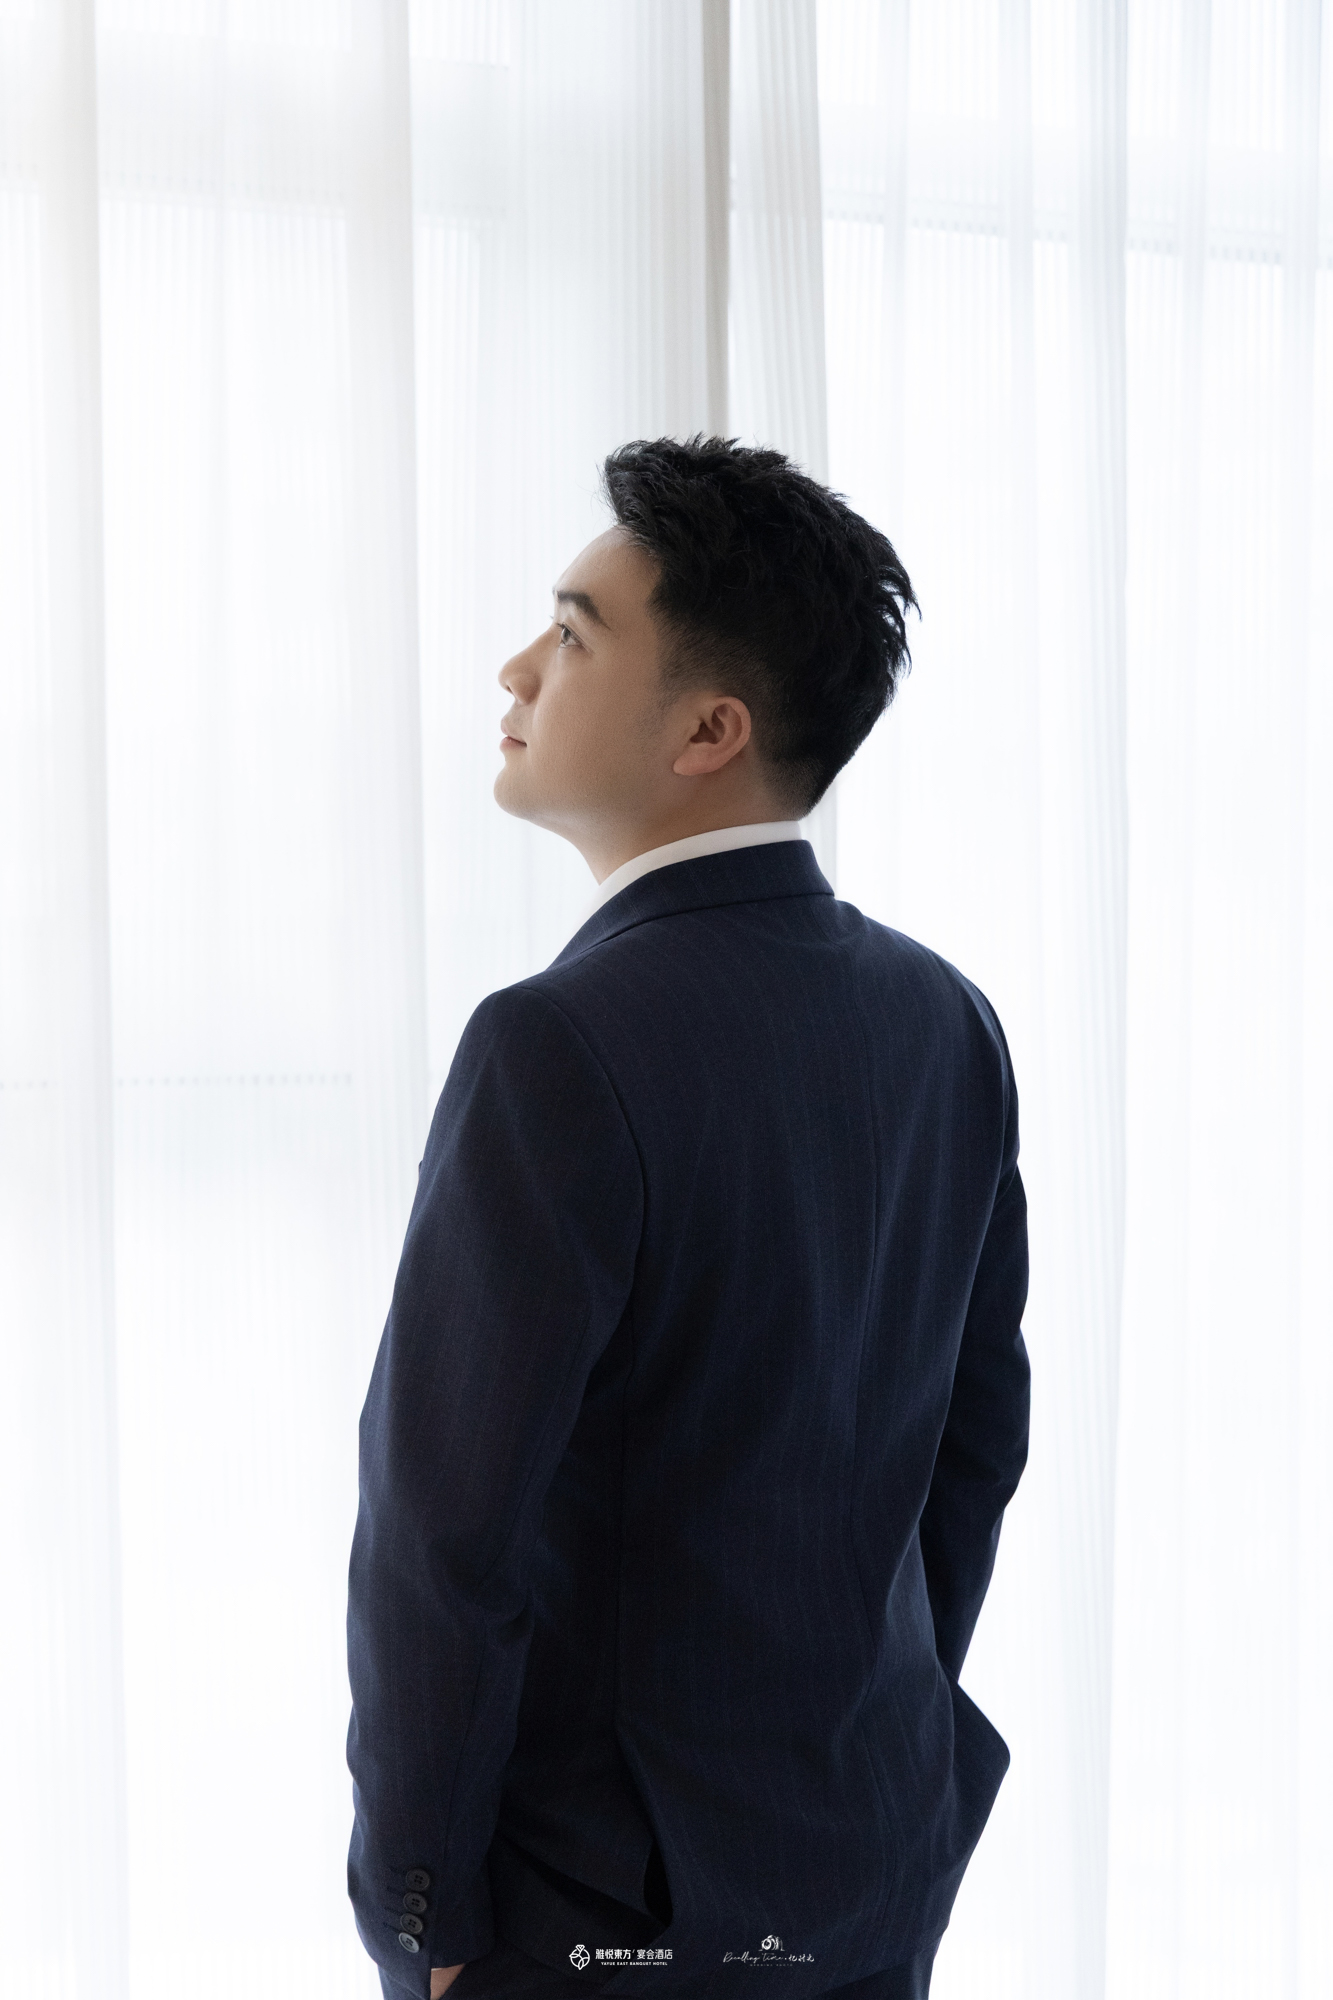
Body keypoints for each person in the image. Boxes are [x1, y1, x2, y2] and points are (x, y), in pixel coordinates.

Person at [346, 436, 1030, 2000]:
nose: (518, 668)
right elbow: (971, 1449)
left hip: (601, 1913)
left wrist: (424, 1919)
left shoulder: (555, 1042)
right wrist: (859, 1740)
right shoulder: (945, 1016)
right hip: (866, 1855)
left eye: (573, 633)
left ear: (710, 730)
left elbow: (443, 1542)